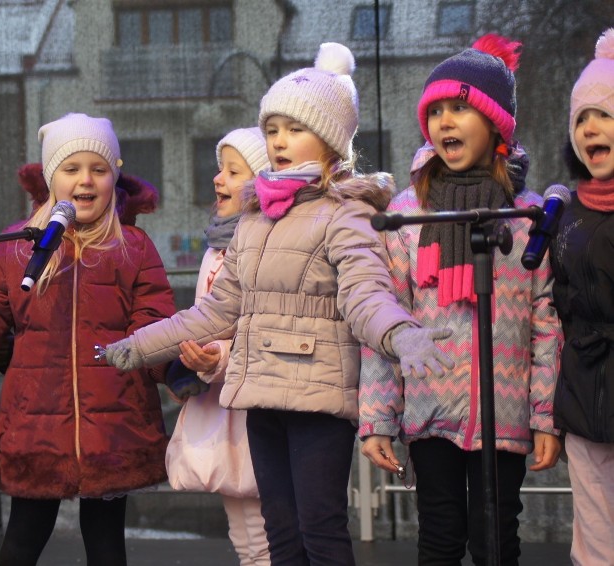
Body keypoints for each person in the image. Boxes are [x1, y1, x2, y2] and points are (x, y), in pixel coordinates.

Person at [105, 43, 454, 566]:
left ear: (332, 142)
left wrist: (400, 333)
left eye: (295, 129)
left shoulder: (347, 213)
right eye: (272, 130)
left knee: (321, 533)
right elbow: (216, 312)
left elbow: (365, 295)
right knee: (282, 537)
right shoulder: (253, 219)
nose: (280, 142)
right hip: (262, 399)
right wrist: (137, 347)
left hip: (318, 403)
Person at [0, 112, 176, 566]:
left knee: (107, 548)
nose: (85, 180)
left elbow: (155, 324)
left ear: (114, 176)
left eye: (99, 169)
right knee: (22, 542)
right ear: (52, 179)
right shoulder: (15, 248)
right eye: (71, 169)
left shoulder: (133, 247)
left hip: (114, 423)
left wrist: (180, 372)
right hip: (37, 424)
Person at [357, 35, 563, 566]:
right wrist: (379, 417)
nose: (446, 121)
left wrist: (545, 416)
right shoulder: (409, 214)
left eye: (461, 108)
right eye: (437, 111)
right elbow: (388, 320)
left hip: (505, 411)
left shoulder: (527, 216)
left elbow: (547, 325)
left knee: (496, 541)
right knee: (440, 540)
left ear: (496, 123)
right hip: (430, 410)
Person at [165, 127, 272, 566]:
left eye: (232, 171)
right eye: (219, 169)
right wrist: (186, 364)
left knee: (267, 528)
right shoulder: (215, 246)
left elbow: (257, 326)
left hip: (255, 405)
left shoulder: (262, 244)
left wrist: (219, 356)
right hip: (219, 399)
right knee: (242, 527)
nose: (217, 179)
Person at [548, 27, 614, 566]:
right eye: (582, 119)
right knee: (593, 532)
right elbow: (561, 297)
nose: (591, 128)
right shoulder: (566, 211)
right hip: (584, 384)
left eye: (605, 115)